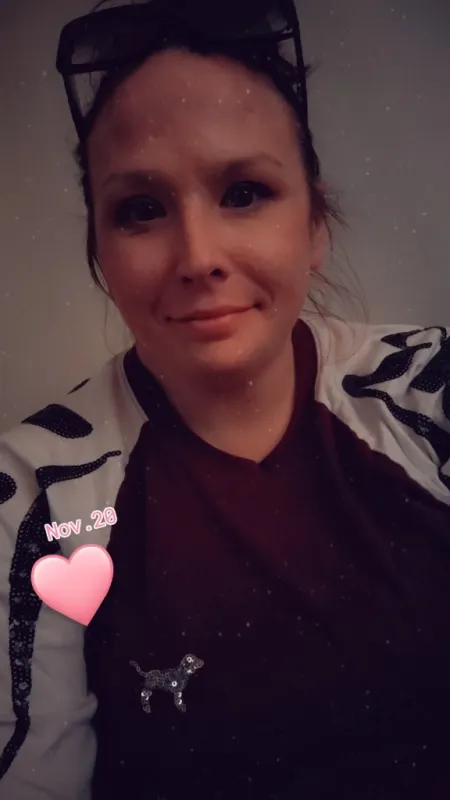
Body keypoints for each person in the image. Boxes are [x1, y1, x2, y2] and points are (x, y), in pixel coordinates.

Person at [0, 0, 449, 798]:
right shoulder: (32, 496)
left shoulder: (428, 391)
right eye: (141, 210)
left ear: (315, 223)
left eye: (243, 192)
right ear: (99, 253)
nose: (199, 256)